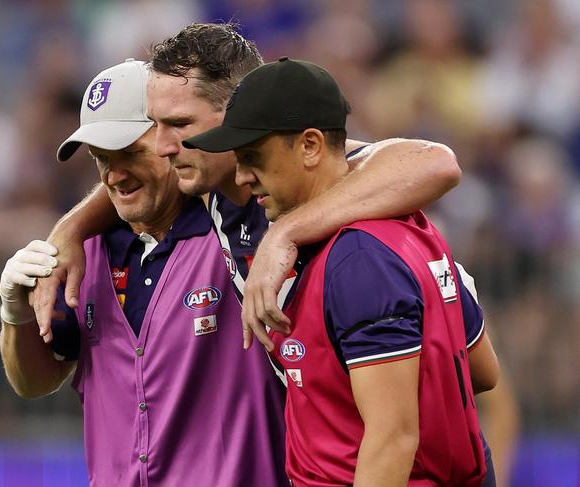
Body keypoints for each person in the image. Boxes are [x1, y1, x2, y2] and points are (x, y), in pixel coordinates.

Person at [31, 23, 463, 354]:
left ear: (239, 110)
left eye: (179, 125)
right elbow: (126, 177)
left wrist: (285, 232)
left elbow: (435, 162)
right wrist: (68, 232)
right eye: (155, 125)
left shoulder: (301, 183)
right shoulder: (207, 177)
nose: (162, 147)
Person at [183, 57, 500, 487]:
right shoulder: (411, 225)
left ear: (310, 146)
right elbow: (481, 370)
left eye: (253, 156)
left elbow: (391, 439)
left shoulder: (357, 260)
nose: (242, 176)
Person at [0, 59, 288, 487]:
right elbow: (34, 381)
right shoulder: (82, 253)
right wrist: (13, 314)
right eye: (101, 159)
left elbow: (401, 162)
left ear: (173, 139)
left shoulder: (237, 225)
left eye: (131, 153)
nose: (114, 175)